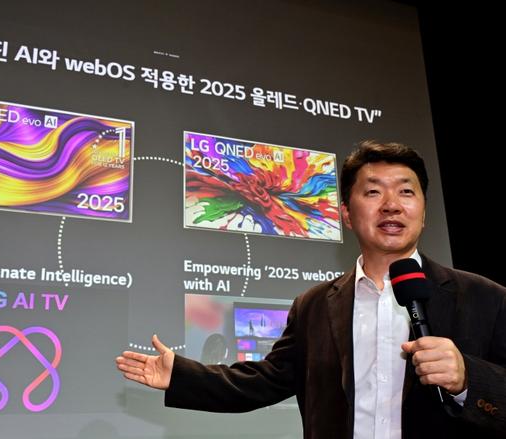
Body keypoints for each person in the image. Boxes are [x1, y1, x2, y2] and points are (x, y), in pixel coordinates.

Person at [116, 141, 506, 438]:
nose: (391, 205)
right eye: (373, 192)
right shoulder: (314, 305)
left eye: (406, 192)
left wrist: (468, 378)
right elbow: (265, 380)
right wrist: (182, 376)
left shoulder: (484, 297)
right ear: (346, 214)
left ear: (423, 211)